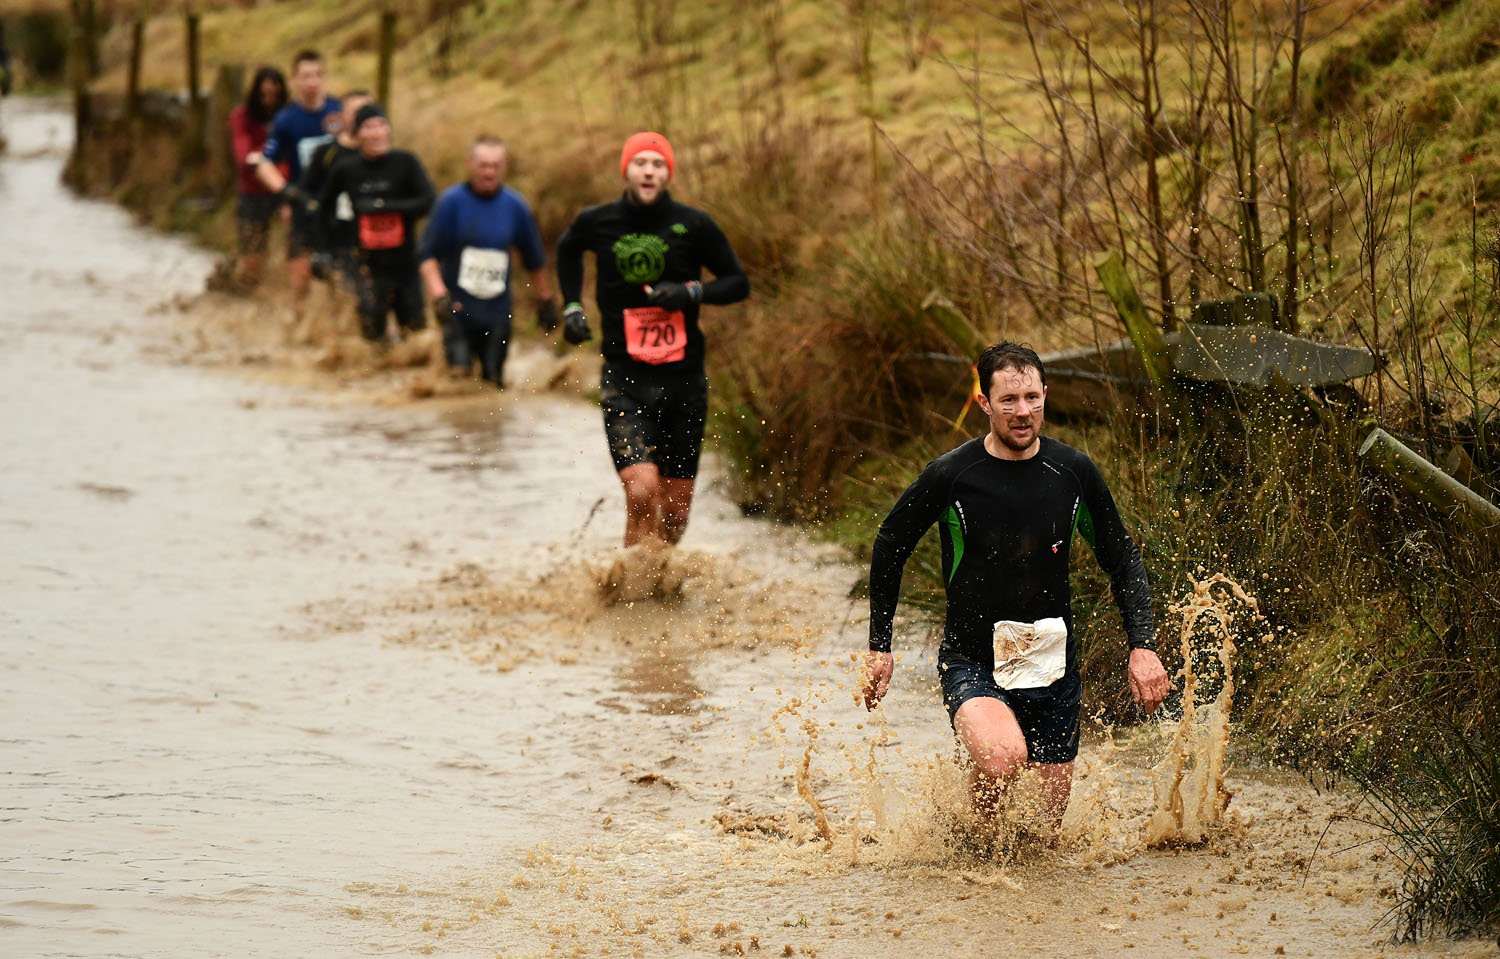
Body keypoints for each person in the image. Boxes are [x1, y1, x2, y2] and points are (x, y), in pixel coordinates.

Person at [860, 341, 1171, 839]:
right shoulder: (951, 475)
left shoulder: (1073, 472)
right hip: (973, 657)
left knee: (1041, 838)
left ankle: (967, 841)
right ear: (984, 402)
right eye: (1008, 400)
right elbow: (891, 543)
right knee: (1005, 760)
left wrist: (1142, 645)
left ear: (1046, 394)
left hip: (1051, 664)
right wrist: (880, 646)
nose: (1022, 412)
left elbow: (1122, 557)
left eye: (1032, 397)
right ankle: (965, 854)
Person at [555, 131, 749, 546]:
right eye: (641, 162)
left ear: (668, 173)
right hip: (625, 378)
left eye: (658, 164)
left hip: (684, 380)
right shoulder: (598, 221)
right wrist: (572, 306)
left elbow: (737, 282)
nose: (649, 170)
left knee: (675, 513)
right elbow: (566, 249)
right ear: (626, 169)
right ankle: (632, 587)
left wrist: (689, 292)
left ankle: (655, 581)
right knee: (642, 488)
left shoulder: (694, 224)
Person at [418, 135, 556, 388]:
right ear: (470, 164)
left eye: (496, 165)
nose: (489, 172)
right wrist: (439, 295)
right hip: (457, 310)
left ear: (504, 167)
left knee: (493, 384)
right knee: (458, 382)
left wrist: (545, 301)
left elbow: (534, 260)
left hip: (497, 313)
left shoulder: (516, 206)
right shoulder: (451, 203)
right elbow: (427, 255)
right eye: (483, 165)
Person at [315, 102, 435, 343]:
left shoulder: (406, 162)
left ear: (389, 130)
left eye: (381, 125)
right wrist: (325, 251)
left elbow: (429, 200)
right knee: (372, 334)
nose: (376, 132)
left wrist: (385, 208)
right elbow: (323, 209)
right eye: (368, 127)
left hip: (404, 260)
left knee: (415, 331)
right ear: (357, 135)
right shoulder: (346, 169)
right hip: (365, 263)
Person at [255, 50, 341, 311]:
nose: (312, 82)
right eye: (305, 76)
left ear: (324, 76)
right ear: (294, 79)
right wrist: (286, 193)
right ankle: (297, 331)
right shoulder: (286, 120)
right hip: (302, 207)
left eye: (317, 75)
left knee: (338, 278)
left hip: (337, 207)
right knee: (300, 281)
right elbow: (263, 163)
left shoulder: (339, 112)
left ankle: (339, 331)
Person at [299, 88, 371, 296]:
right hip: (337, 240)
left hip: (376, 242)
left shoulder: (387, 157)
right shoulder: (327, 153)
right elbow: (305, 191)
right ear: (342, 117)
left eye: (367, 110)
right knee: (345, 298)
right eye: (355, 111)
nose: (362, 117)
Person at [226, 66, 288, 291]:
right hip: (253, 192)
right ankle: (247, 292)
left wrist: (262, 155)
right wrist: (273, 155)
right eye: (264, 94)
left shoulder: (288, 117)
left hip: (285, 192)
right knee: (252, 255)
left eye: (274, 95)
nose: (269, 100)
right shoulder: (241, 116)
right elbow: (243, 156)